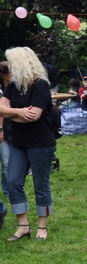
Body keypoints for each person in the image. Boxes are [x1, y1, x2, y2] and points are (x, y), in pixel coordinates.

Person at [0, 47, 57, 241]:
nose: (10, 67)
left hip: (40, 143)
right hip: (18, 141)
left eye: (12, 63)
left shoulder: (40, 85)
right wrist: (19, 112)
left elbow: (34, 116)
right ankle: (23, 225)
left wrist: (10, 113)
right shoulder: (12, 86)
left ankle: (42, 226)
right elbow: (1, 108)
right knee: (13, 182)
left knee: (41, 185)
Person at [0, 61, 12, 198]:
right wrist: (1, 129)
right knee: (6, 162)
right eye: (11, 71)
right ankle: (8, 192)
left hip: (12, 128)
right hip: (2, 128)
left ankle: (9, 191)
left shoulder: (14, 86)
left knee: (8, 162)